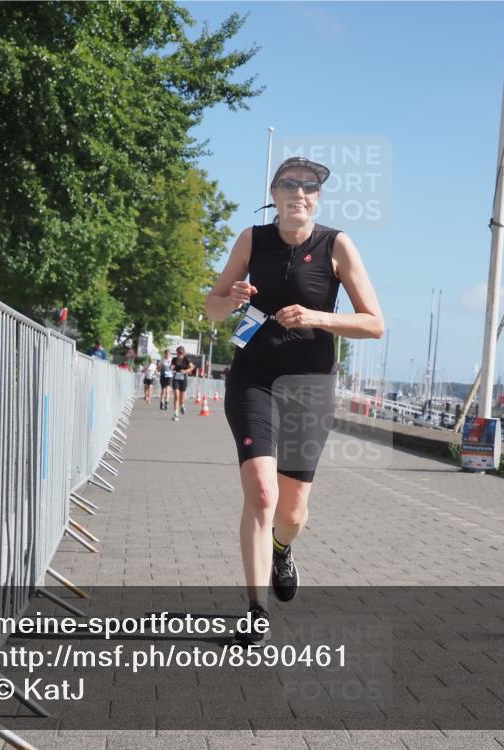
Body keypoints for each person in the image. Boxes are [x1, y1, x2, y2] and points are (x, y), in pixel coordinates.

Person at [204, 156, 384, 644]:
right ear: (275, 192)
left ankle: (283, 549)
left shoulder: (337, 245)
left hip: (309, 384)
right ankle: (256, 609)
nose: (299, 193)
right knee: (261, 492)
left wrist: (316, 317)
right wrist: (233, 299)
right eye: (290, 184)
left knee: (292, 510)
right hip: (253, 378)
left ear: (317, 198)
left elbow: (374, 323)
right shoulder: (251, 240)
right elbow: (212, 305)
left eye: (309, 186)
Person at [169, 345, 195, 421]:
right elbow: (172, 366)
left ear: (183, 353)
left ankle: (182, 405)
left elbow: (192, 367)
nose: (180, 354)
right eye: (178, 353)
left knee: (182, 398)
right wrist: (171, 368)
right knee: (176, 396)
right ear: (177, 353)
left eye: (181, 353)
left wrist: (185, 371)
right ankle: (176, 414)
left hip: (183, 379)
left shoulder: (186, 359)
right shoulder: (174, 359)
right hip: (176, 379)